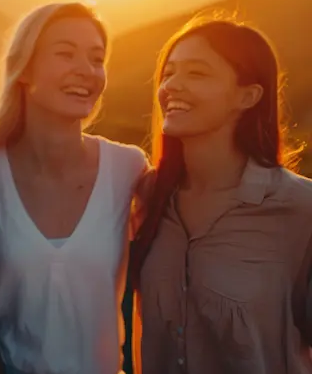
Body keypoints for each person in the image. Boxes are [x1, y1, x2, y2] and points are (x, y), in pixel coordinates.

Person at [0, 2, 149, 374]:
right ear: (25, 69)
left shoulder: (128, 169)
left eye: (97, 59)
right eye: (66, 54)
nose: (87, 71)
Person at [129, 18, 312, 374]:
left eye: (197, 74)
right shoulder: (146, 197)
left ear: (248, 96)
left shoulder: (299, 210)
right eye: (169, 73)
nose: (172, 86)